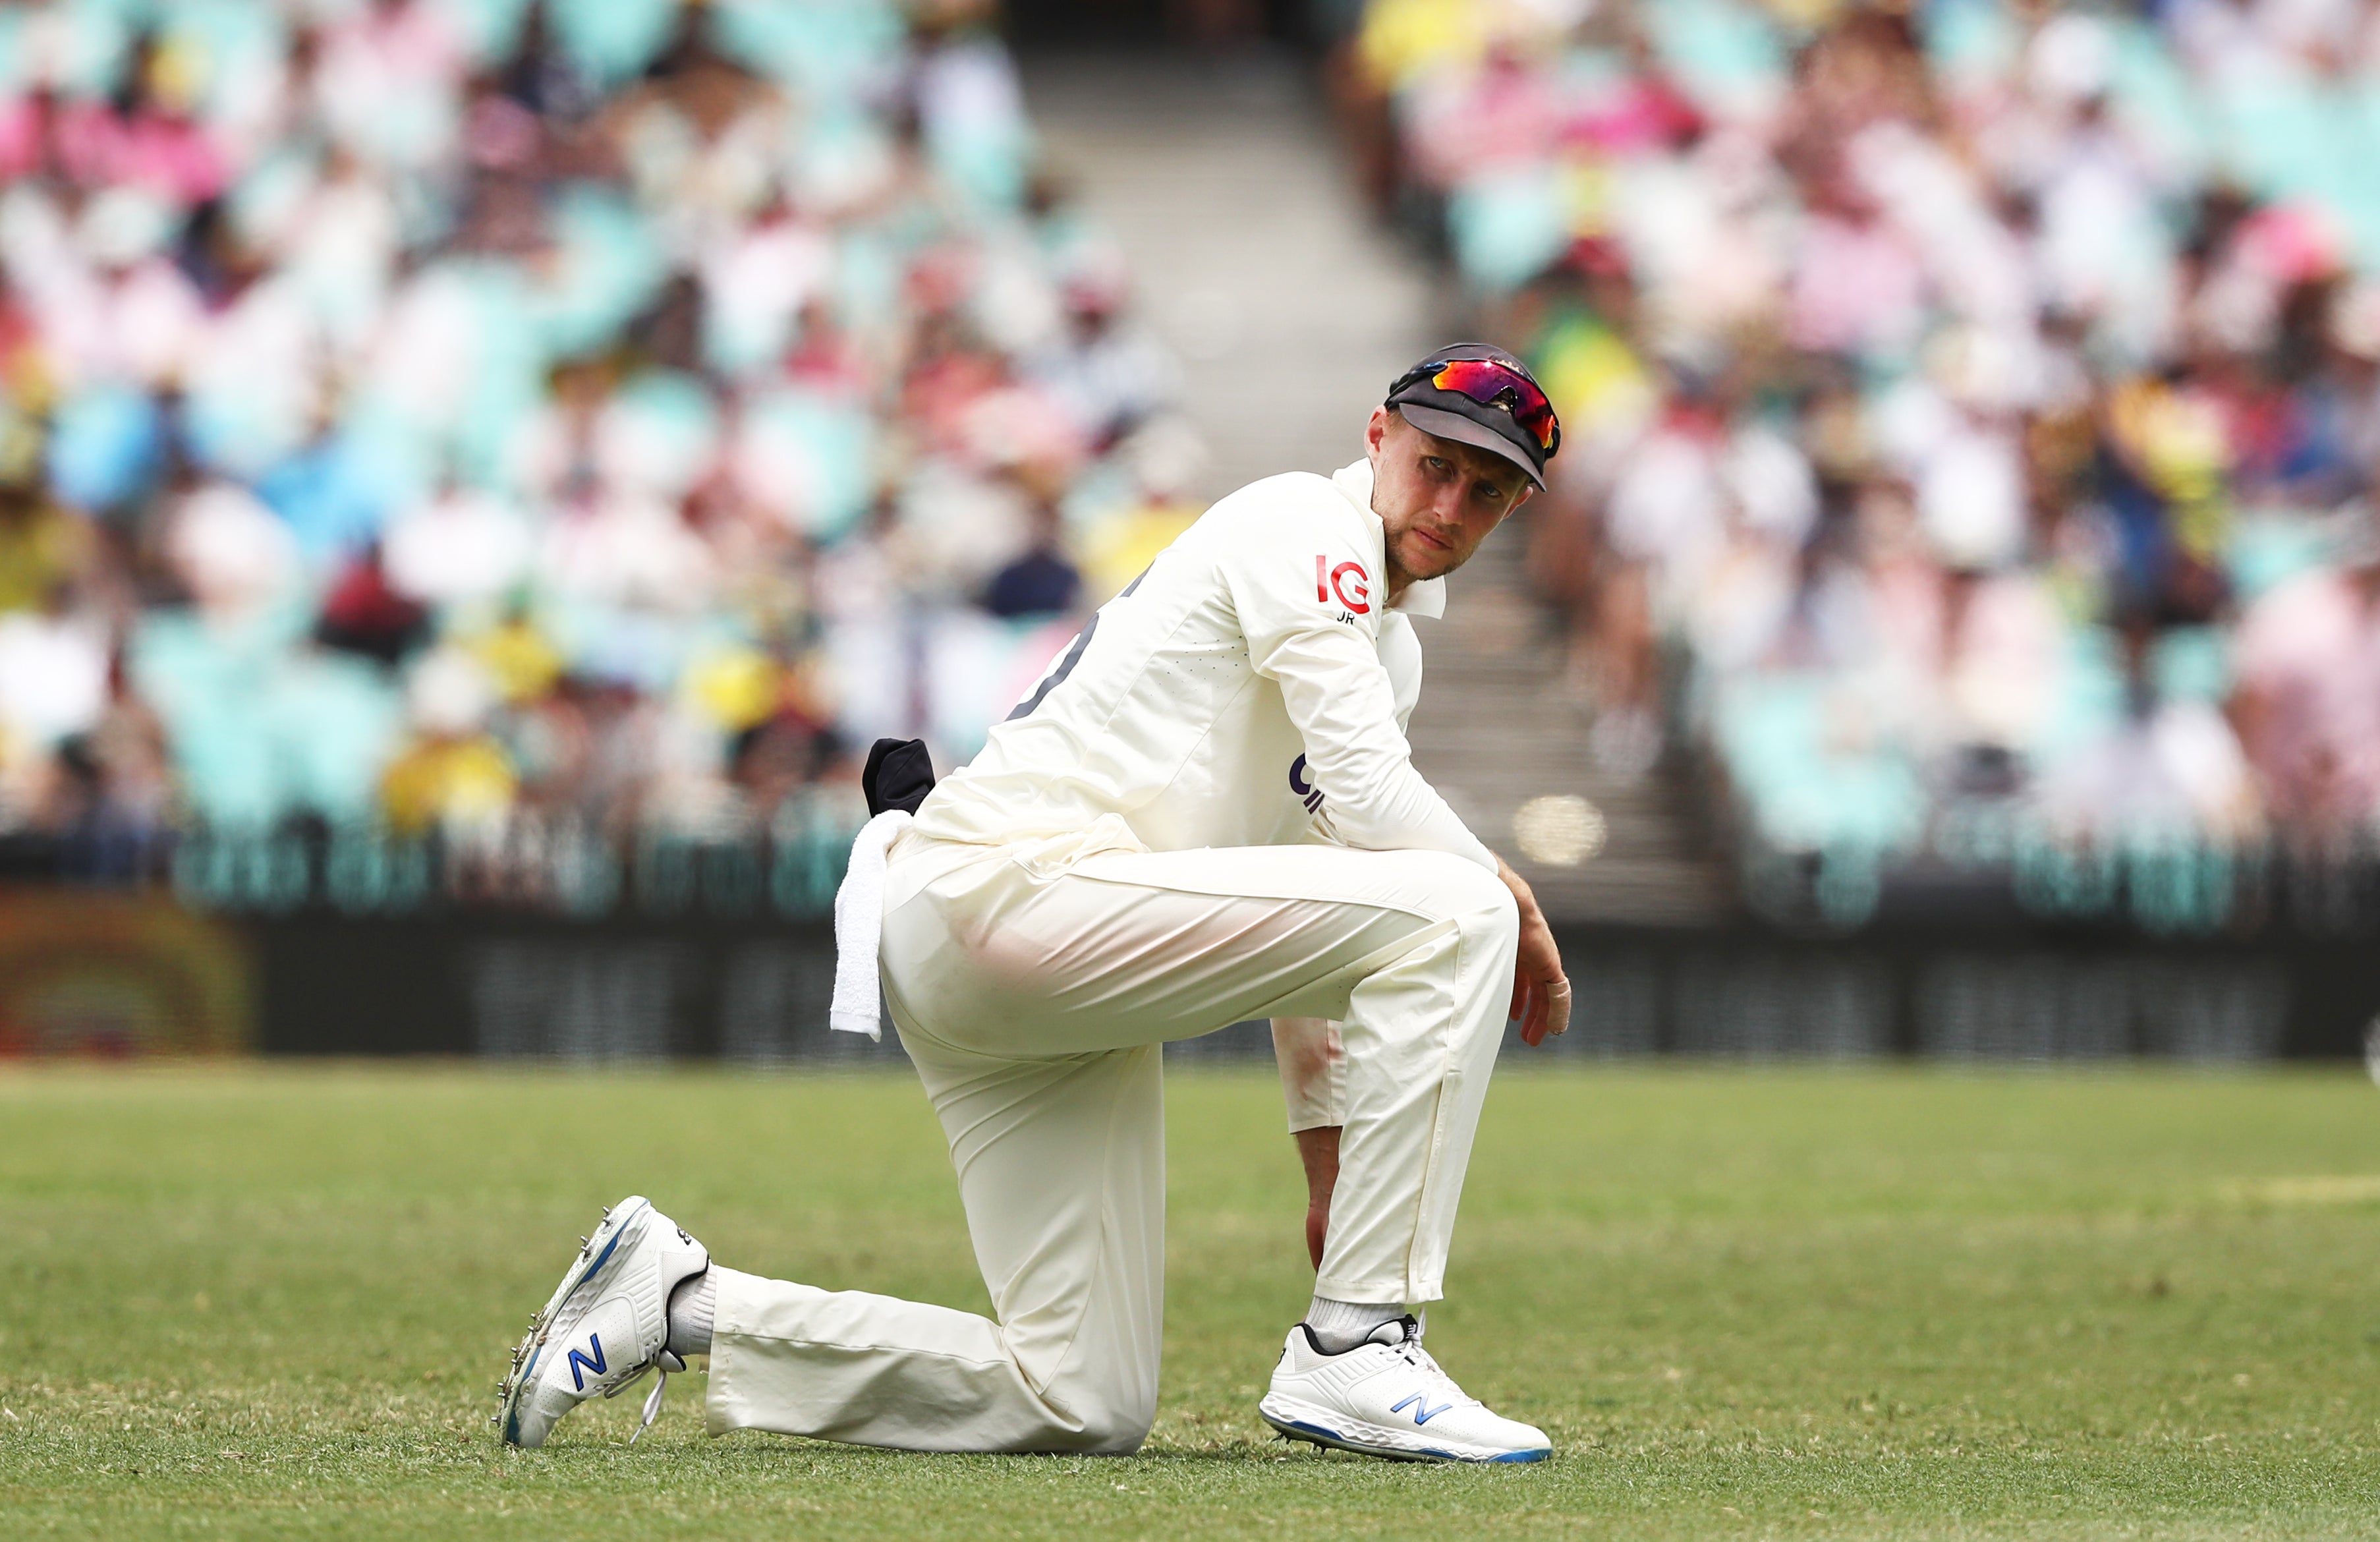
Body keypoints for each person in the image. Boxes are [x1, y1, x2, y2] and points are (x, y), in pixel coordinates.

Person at [495, 345, 1576, 1462]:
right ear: (1376, 436)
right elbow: (1368, 800)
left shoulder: (1385, 654)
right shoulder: (1304, 522)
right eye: (1435, 462)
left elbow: (1322, 878)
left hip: (1034, 954)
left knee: (1083, 1401)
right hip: (1009, 888)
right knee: (1466, 908)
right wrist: (1517, 904)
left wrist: (1329, 1169)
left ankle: (674, 1302)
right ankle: (1359, 1345)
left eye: (1486, 490)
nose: (1450, 502)